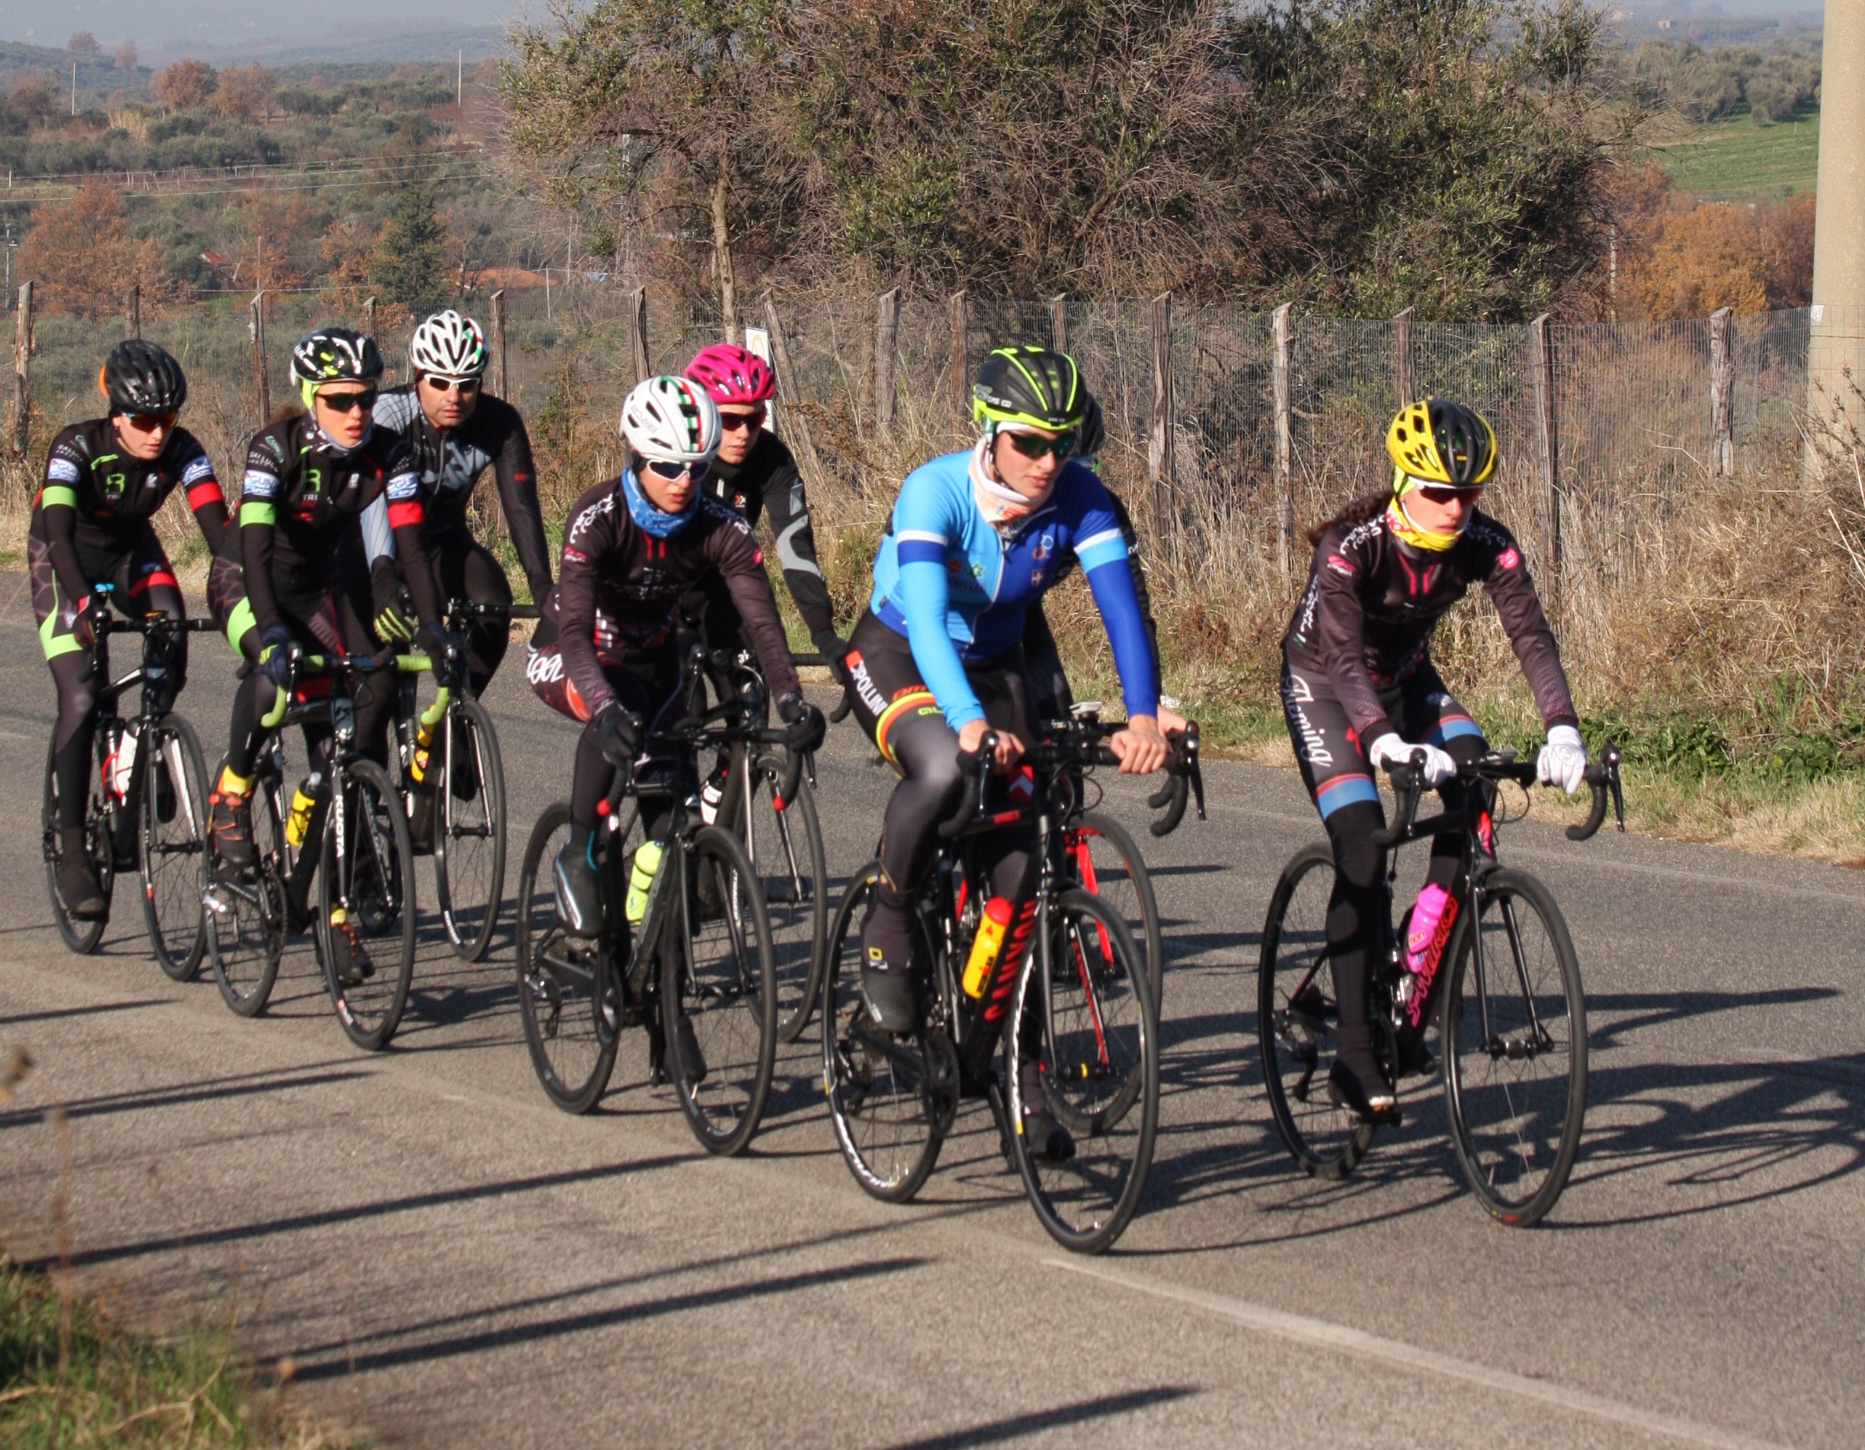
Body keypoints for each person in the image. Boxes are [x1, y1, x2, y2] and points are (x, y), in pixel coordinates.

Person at [845, 345, 1168, 1158]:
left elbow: (1120, 611)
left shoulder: (1081, 496)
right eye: (1028, 442)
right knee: (947, 766)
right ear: (988, 433)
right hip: (898, 653)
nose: (1047, 461)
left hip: (998, 663)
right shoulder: (936, 490)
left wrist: (1143, 717)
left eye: (1062, 443)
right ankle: (890, 911)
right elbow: (923, 617)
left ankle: (1006, 1064)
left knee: (1023, 871)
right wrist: (962, 717)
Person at [1280, 398, 1588, 1120]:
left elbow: (1530, 637)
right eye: (1438, 492)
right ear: (1401, 481)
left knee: (1474, 783)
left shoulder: (1486, 542)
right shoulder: (1349, 545)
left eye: (1468, 493)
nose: (1454, 508)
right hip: (1324, 684)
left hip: (1407, 679)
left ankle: (1412, 990)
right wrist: (1381, 742)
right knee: (1359, 841)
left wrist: (1562, 728)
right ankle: (1353, 1057)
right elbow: (1345, 661)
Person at [526, 373, 824, 939]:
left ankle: (663, 995)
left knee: (676, 821)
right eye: (667, 466)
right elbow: (573, 634)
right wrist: (606, 709)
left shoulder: (722, 527)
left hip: (655, 652)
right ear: (636, 456)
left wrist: (790, 700)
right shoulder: (598, 517)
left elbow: (762, 622)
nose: (684, 481)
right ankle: (579, 847)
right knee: (616, 710)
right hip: (575, 653)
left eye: (698, 466)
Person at [206, 326, 451, 979]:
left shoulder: (388, 454)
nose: (356, 414)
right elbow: (253, 552)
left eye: (367, 399)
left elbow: (410, 545)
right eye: (341, 400)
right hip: (246, 582)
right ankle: (231, 792)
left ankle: (335, 916)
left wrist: (432, 626)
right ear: (312, 396)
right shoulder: (274, 448)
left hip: (316, 590)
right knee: (273, 672)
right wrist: (271, 630)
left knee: (335, 752)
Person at [31, 340, 229, 919]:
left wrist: (239, 595)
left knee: (172, 628)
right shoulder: (75, 446)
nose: (156, 433)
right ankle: (71, 845)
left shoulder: (182, 450)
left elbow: (220, 536)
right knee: (83, 693)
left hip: (130, 553)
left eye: (167, 419)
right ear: (114, 413)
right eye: (143, 420)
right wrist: (84, 602)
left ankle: (142, 744)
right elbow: (59, 534)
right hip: (62, 557)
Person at [363, 309, 553, 697]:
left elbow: (520, 508)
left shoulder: (498, 422)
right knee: (380, 692)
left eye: (467, 384)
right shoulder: (385, 416)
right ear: (418, 378)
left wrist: (543, 589)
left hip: (439, 543)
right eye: (440, 382)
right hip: (371, 552)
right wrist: (383, 578)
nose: (454, 396)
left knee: (493, 608)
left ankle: (454, 728)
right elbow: (370, 507)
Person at [1017, 391, 1188, 733]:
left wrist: (1148, 702)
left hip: (1023, 606)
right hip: (964, 611)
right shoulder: (1002, 502)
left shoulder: (1098, 509)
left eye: (1082, 467)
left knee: (1056, 740)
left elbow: (1132, 608)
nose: (1062, 483)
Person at [683, 342, 844, 678]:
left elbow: (794, 546)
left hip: (725, 587)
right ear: (702, 413)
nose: (743, 433)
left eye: (754, 418)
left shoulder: (773, 459)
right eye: (728, 419)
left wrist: (823, 633)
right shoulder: (675, 454)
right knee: (676, 710)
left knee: (752, 703)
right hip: (662, 591)